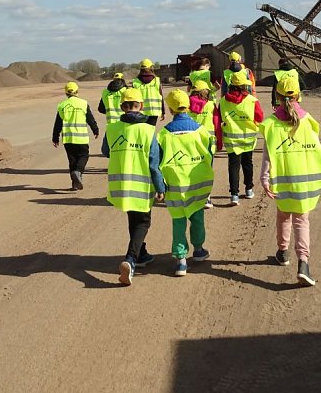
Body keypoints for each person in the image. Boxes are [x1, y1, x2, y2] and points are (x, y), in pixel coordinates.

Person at [259, 76, 321, 287]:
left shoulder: (270, 124)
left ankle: (282, 252)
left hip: (282, 182)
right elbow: (316, 151)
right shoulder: (308, 121)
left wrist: (265, 179)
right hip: (304, 181)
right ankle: (303, 264)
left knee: (283, 217)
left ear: (277, 97)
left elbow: (268, 155)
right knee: (301, 220)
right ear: (299, 95)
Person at [101, 87, 166, 286]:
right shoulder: (147, 129)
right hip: (142, 184)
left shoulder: (112, 128)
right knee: (143, 223)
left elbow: (106, 151)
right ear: (141, 106)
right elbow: (154, 163)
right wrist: (160, 187)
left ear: (122, 107)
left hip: (121, 184)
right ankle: (130, 259)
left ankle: (141, 253)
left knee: (133, 220)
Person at [158, 89, 214, 276]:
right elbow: (209, 154)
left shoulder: (164, 134)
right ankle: (198, 250)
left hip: (174, 185)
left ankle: (181, 260)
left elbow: (157, 160)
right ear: (188, 106)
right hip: (196, 182)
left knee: (178, 221)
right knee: (197, 217)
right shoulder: (200, 131)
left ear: (171, 109)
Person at [216, 70, 263, 205]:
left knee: (233, 166)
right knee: (247, 164)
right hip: (248, 139)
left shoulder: (224, 101)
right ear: (244, 85)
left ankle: (234, 195)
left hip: (231, 140)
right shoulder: (252, 100)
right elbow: (259, 117)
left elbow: (219, 119)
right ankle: (249, 189)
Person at [52, 81, 99, 191]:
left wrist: (55, 137)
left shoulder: (62, 105)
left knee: (72, 160)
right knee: (84, 156)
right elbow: (90, 119)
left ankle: (75, 184)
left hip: (68, 139)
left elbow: (58, 123)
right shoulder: (83, 103)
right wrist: (95, 129)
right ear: (77, 92)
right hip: (81, 138)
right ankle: (78, 172)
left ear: (66, 93)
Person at [187, 79, 219, 208]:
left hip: (190, 143)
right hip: (207, 143)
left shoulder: (186, 106)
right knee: (206, 171)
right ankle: (206, 198)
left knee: (190, 169)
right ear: (205, 92)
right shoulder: (211, 105)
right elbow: (217, 124)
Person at [132, 58, 164, 125]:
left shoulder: (135, 82)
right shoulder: (157, 81)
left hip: (139, 112)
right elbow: (161, 97)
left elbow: (132, 98)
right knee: (150, 132)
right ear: (151, 68)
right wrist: (163, 112)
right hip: (154, 112)